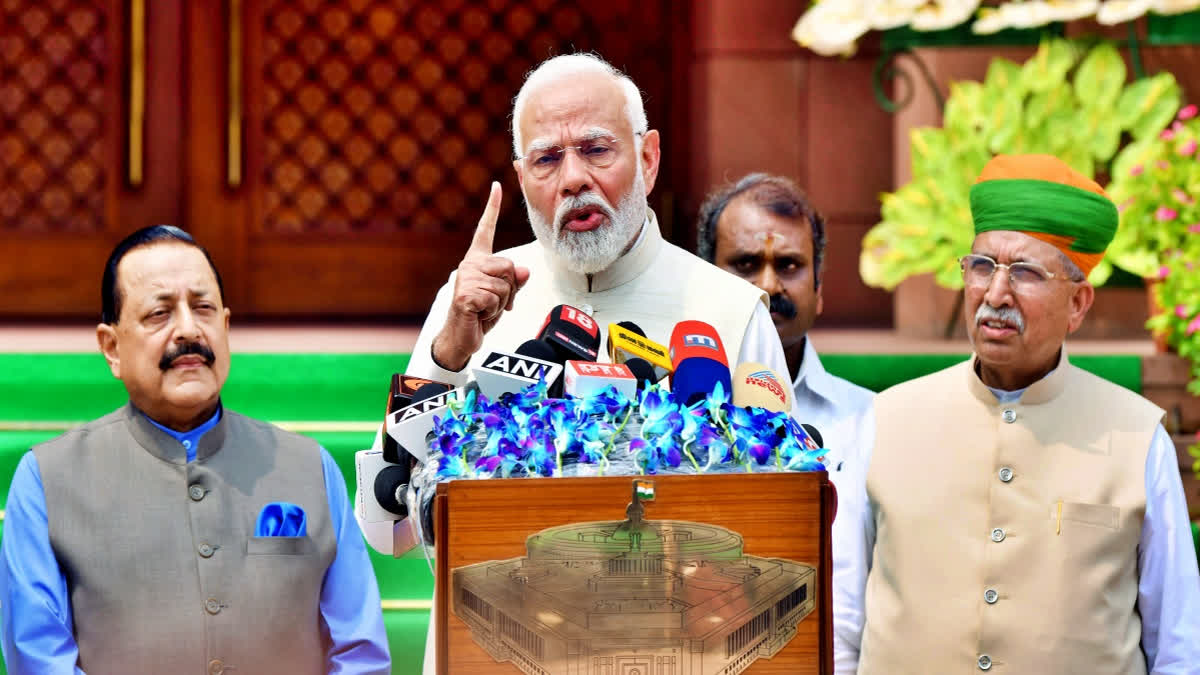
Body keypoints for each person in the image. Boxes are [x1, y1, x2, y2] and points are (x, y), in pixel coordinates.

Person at [394, 52, 793, 674]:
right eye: (548, 159)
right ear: (522, 179)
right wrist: (450, 356)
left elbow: (777, 517)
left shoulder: (731, 311)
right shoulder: (470, 304)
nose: (573, 179)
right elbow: (389, 530)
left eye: (596, 150)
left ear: (649, 158)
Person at [832, 155, 1200, 674]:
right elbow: (842, 622)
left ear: (1078, 303)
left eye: (1025, 272)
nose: (995, 294)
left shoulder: (1136, 437)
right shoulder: (883, 421)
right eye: (981, 267)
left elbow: (1179, 647)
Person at [0, 226, 390, 674]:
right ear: (112, 347)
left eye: (203, 308)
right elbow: (39, 659)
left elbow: (359, 653)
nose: (188, 329)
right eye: (158, 313)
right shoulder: (48, 481)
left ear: (224, 326)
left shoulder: (308, 467)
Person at [697, 173, 874, 475]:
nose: (769, 286)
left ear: (819, 289)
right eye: (746, 264)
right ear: (706, 281)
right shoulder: (673, 414)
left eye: (789, 265)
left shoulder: (868, 420)